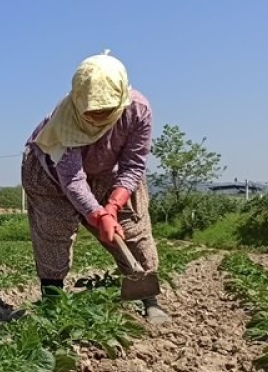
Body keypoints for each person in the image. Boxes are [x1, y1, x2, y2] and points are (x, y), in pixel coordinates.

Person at [21, 51, 169, 324]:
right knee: (54, 233)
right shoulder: (64, 119)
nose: (98, 118)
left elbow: (134, 165)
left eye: (106, 111)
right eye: (92, 112)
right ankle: (52, 306)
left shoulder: (138, 110)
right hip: (52, 176)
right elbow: (73, 179)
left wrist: (112, 206)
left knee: (133, 229)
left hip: (108, 173)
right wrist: (98, 215)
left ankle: (149, 300)